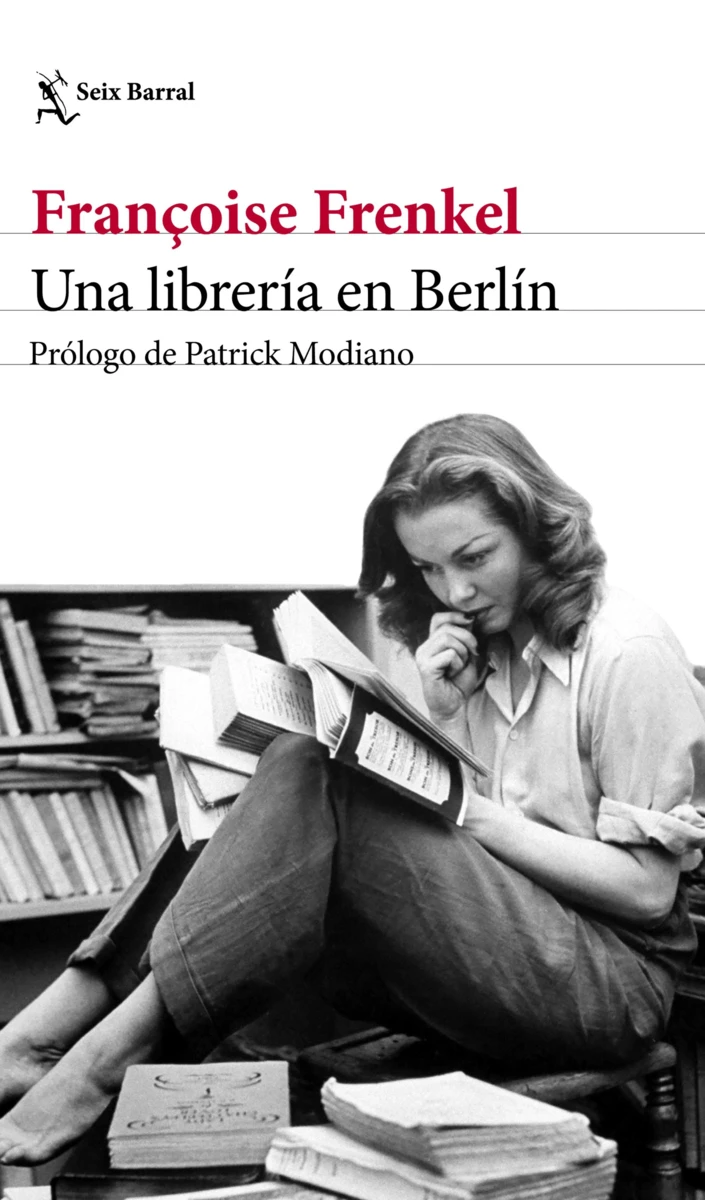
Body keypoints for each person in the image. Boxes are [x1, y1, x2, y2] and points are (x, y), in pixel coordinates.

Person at [1, 412, 704, 1166]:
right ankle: (43, 1035)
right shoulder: (479, 648)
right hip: (504, 949)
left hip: (608, 985)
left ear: (539, 529)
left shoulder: (625, 653)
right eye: (428, 568)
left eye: (475, 557)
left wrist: (471, 813)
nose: (456, 590)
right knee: (281, 771)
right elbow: (468, 858)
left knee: (319, 771)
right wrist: (443, 717)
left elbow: (645, 893)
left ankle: (94, 1060)